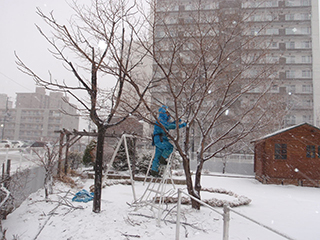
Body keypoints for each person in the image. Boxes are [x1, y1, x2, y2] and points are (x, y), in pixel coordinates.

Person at [150, 105, 186, 177]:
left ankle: (154, 170)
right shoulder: (161, 120)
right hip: (160, 139)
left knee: (157, 155)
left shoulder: (161, 120)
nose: (168, 114)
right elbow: (169, 126)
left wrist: (176, 122)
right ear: (164, 112)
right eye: (167, 112)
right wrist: (181, 125)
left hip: (158, 139)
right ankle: (163, 158)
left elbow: (169, 125)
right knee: (170, 147)